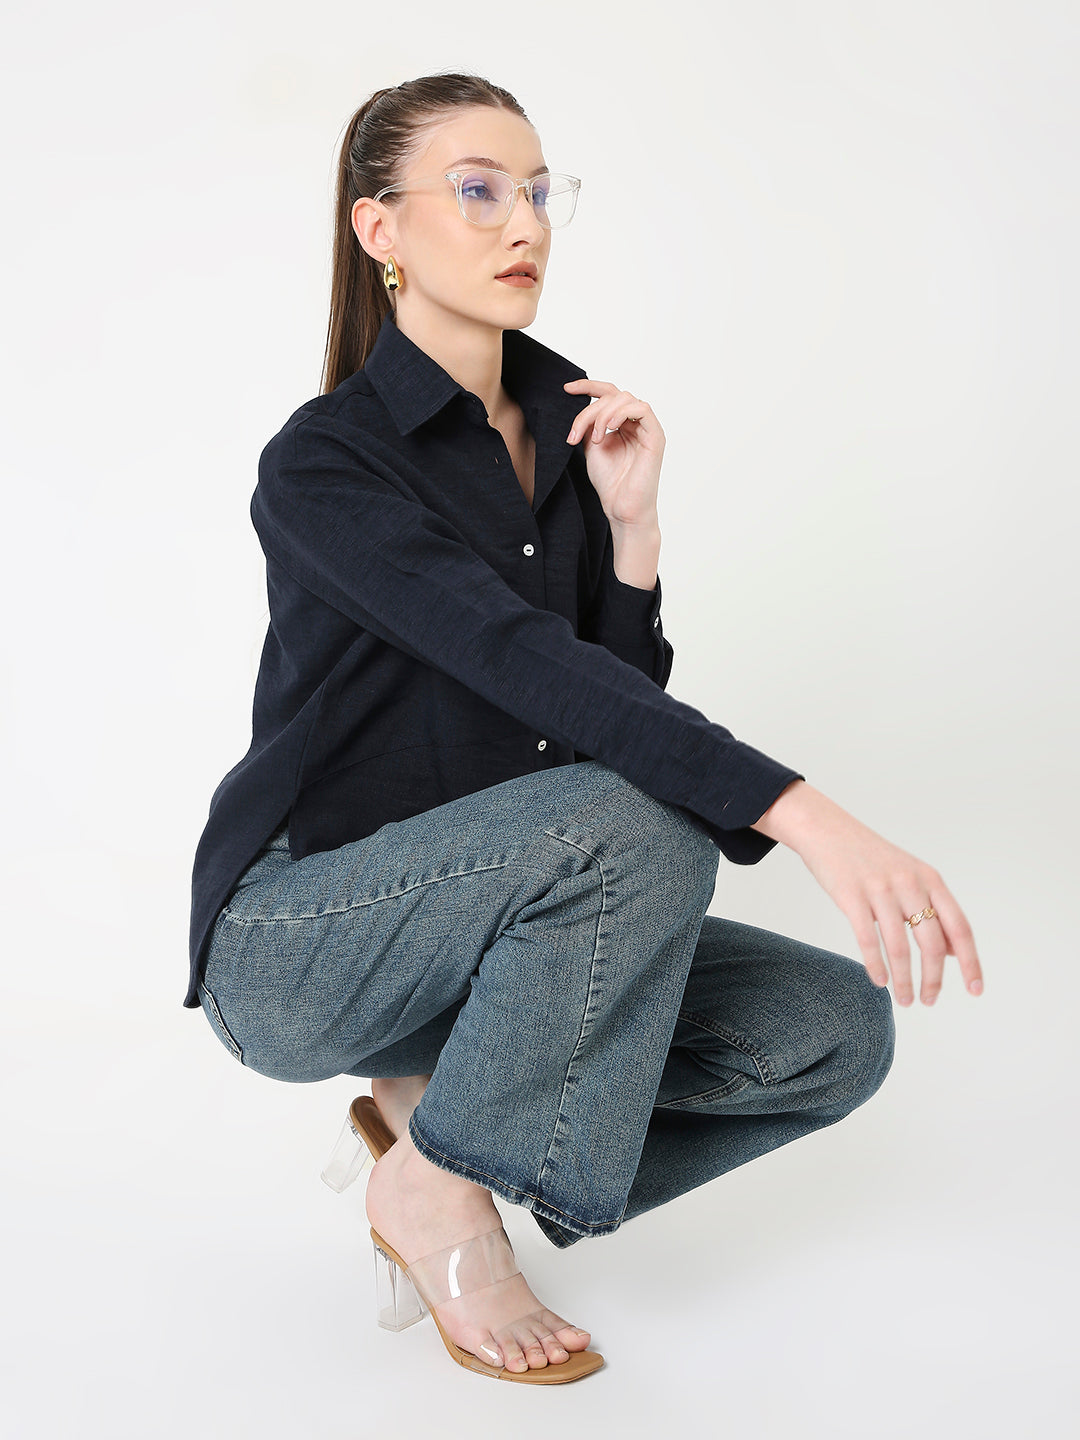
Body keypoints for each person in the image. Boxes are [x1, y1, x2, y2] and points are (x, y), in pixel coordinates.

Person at [188, 72, 983, 1385]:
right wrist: (805, 812)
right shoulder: (324, 463)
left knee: (832, 1030)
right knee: (642, 823)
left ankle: (446, 1131)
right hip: (304, 938)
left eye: (541, 192)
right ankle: (440, 1196)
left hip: (502, 920)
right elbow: (513, 660)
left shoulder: (568, 437)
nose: (527, 225)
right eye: (480, 191)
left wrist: (628, 536)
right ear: (378, 231)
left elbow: (593, 721)